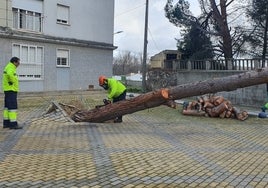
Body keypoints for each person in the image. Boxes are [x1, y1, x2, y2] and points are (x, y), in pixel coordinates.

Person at [2, 57, 22, 129]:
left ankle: (6, 123)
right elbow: (10, 75)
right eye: (18, 63)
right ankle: (13, 124)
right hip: (11, 90)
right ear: (14, 62)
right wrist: (13, 81)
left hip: (8, 90)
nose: (19, 64)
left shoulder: (8, 66)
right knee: (12, 108)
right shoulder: (11, 67)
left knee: (7, 107)